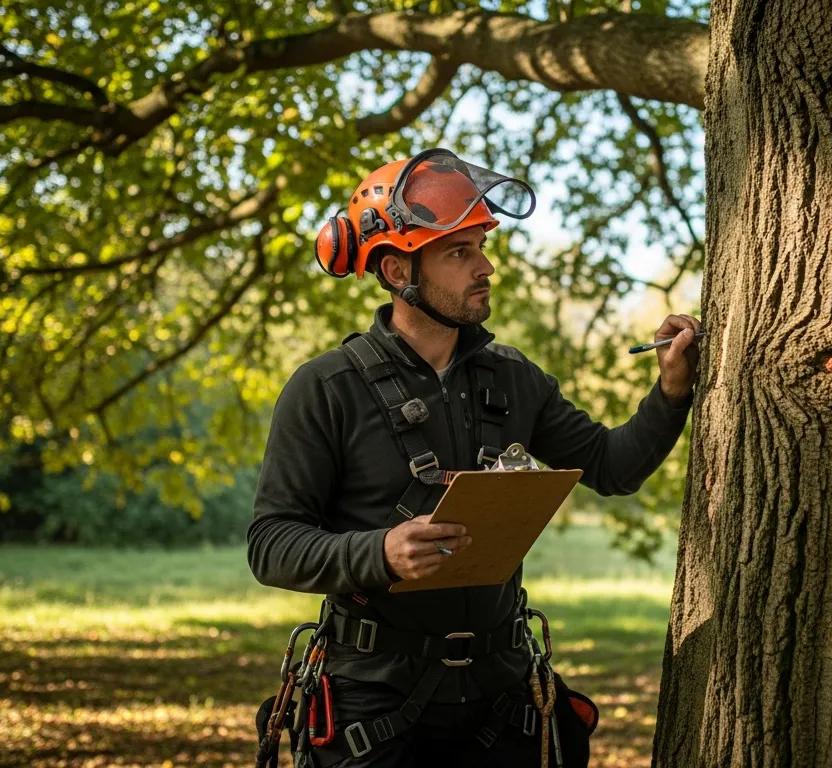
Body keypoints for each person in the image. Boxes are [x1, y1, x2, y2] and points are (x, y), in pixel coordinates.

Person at [247, 148, 700, 767]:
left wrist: (671, 391)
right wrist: (377, 552)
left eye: (482, 247)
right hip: (371, 705)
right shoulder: (326, 388)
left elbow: (613, 467)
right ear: (396, 266)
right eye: (459, 252)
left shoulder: (514, 378)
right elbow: (271, 544)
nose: (485, 267)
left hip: (502, 697)